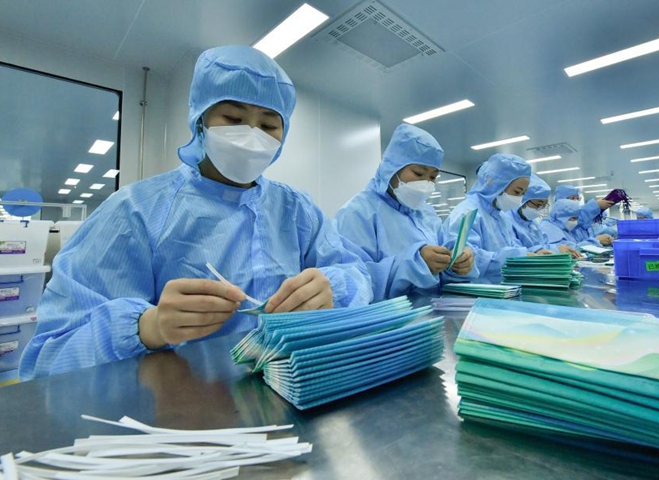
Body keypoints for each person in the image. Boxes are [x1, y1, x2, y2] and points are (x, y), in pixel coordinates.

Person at [20, 46, 372, 379]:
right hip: (179, 413)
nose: (251, 137)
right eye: (233, 117)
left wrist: (332, 289)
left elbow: (358, 274)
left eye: (268, 126)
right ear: (200, 121)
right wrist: (148, 327)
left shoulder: (297, 210)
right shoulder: (135, 211)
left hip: (288, 391)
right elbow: (46, 357)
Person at [335, 124, 474, 300]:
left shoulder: (427, 213)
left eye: (433, 177)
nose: (426, 184)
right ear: (392, 167)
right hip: (389, 321)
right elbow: (352, 283)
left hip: (433, 314)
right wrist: (413, 264)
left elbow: (442, 271)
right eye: (418, 173)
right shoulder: (357, 213)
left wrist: (458, 262)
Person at [442, 154, 535, 283]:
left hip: (501, 289)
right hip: (475, 294)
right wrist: (518, 257)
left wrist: (532, 255)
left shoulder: (502, 216)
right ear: (496, 184)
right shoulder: (468, 211)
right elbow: (466, 259)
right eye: (517, 192)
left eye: (523, 194)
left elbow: (513, 245)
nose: (519, 199)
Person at [509, 175, 581, 258]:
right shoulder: (508, 220)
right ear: (523, 199)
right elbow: (513, 251)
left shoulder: (532, 223)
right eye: (538, 204)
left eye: (543, 206)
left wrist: (557, 248)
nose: (539, 210)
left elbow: (542, 245)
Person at [539, 199, 603, 249]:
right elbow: (567, 249)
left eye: (577, 218)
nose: (576, 222)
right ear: (560, 216)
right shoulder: (548, 228)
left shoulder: (564, 229)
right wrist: (595, 241)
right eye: (573, 218)